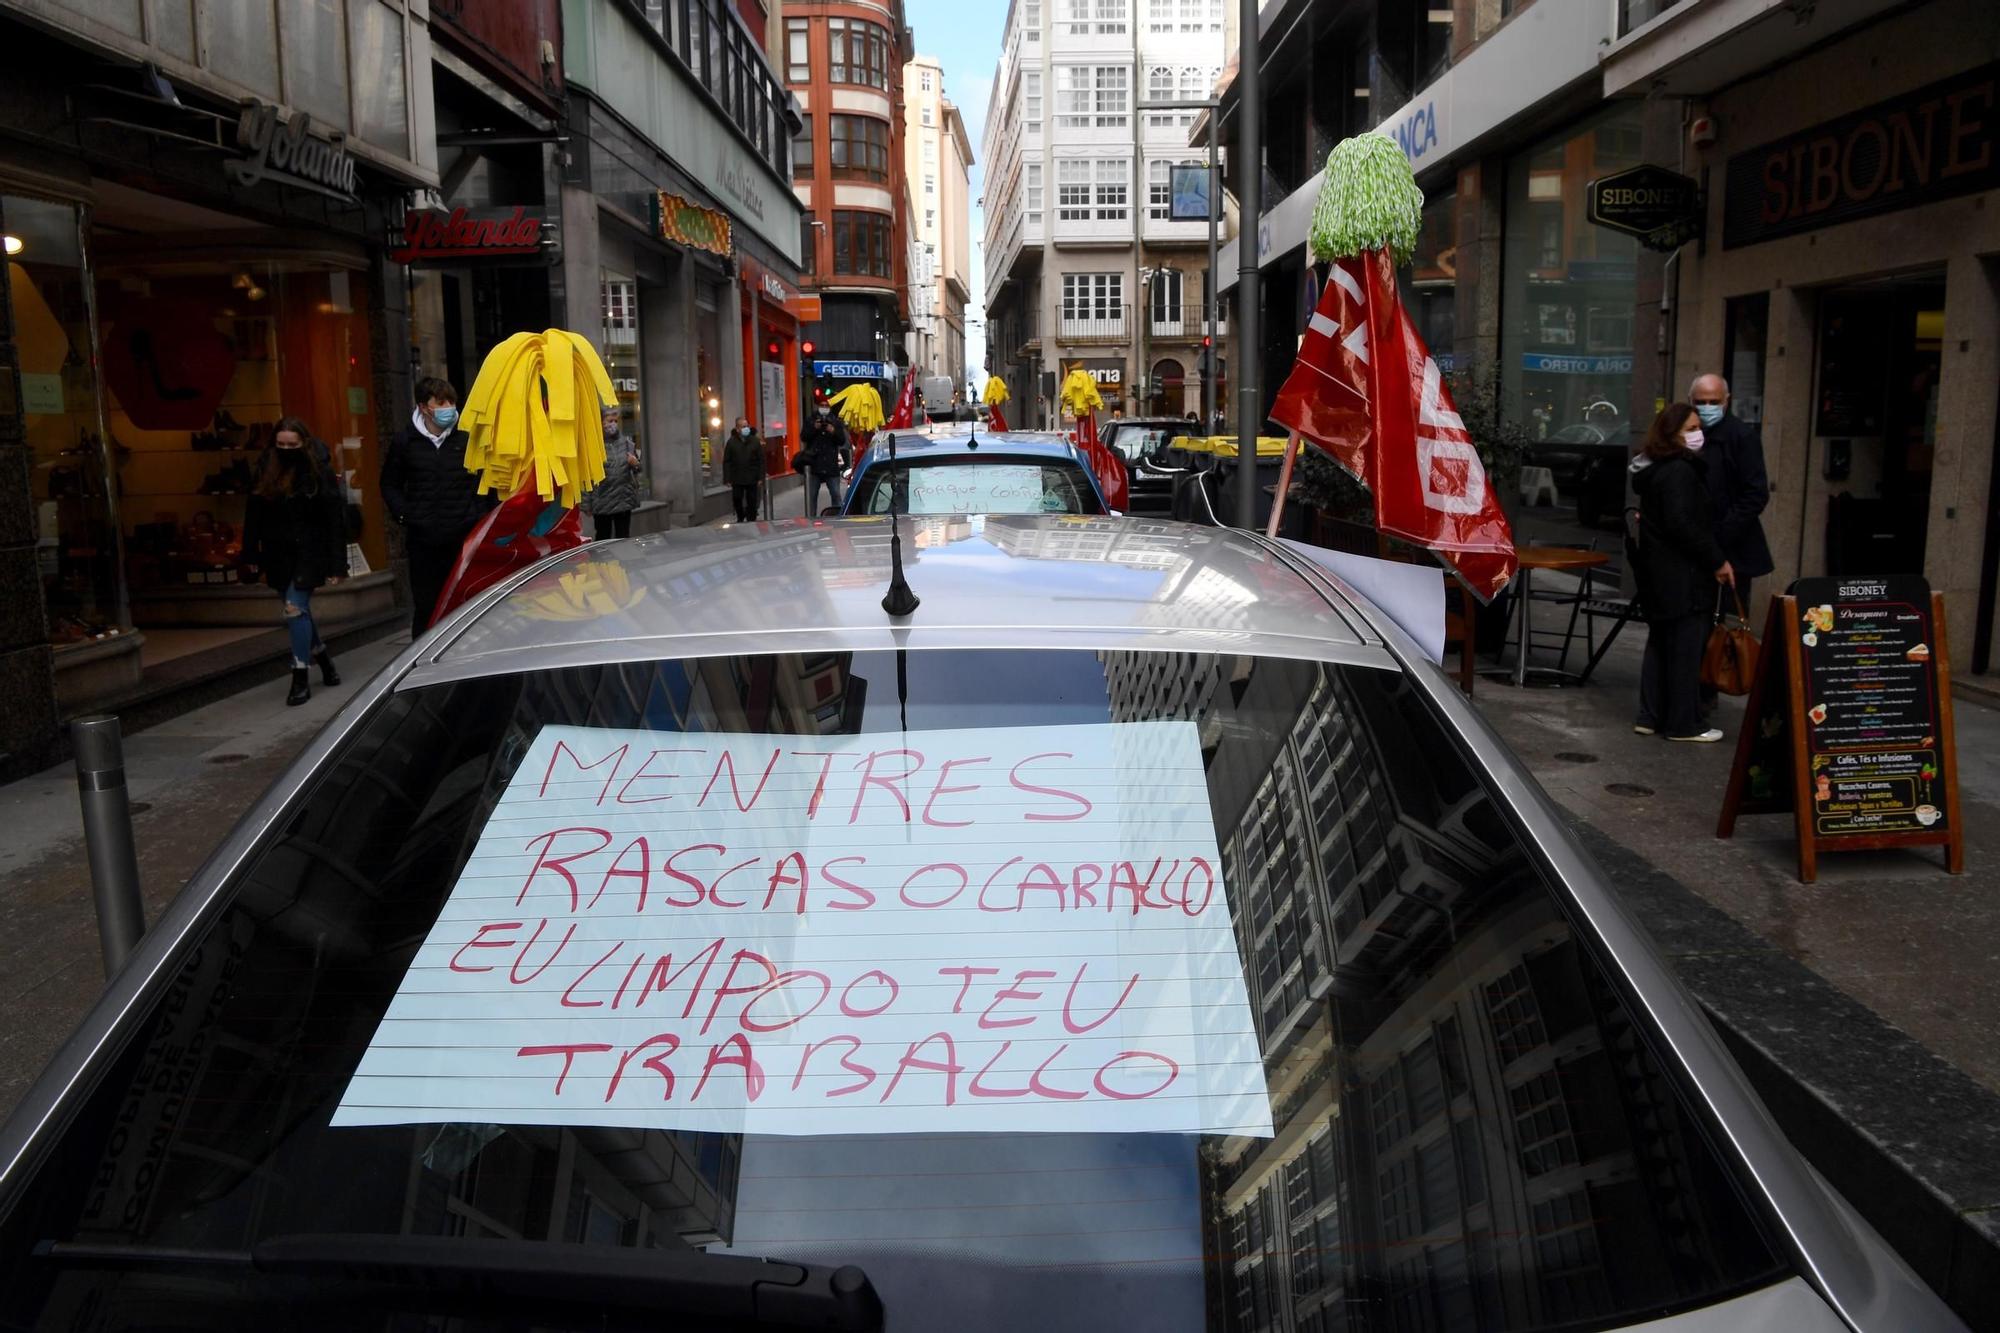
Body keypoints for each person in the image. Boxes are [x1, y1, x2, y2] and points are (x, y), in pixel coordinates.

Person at [1629, 402, 1736, 743]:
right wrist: (1717, 560)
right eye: (1690, 429)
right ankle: (1684, 724)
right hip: (1682, 578)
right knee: (1685, 650)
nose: (1697, 434)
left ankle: (1655, 716)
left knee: (1664, 646)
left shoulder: (1659, 471)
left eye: (1697, 428)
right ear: (1671, 435)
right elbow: (1683, 524)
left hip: (1662, 577)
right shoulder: (1679, 471)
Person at [241, 417, 347, 706]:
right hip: (277, 552)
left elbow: (334, 518)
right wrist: (250, 554)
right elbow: (254, 513)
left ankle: (300, 675)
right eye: (281, 444)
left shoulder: (318, 470)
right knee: (298, 611)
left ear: (304, 444)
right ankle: (324, 659)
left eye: (292, 445)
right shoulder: (266, 467)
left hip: (310, 551)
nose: (286, 449)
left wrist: (338, 564)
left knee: (294, 608)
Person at [381, 376, 494, 638]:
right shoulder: (405, 442)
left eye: (451, 402)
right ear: (424, 407)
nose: (448, 408)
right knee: (426, 607)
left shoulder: (467, 438)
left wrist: (480, 517)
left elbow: (486, 483)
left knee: (466, 603)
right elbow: (390, 484)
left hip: (463, 537)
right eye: (441, 402)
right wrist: (405, 515)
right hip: (424, 541)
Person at [1690, 373, 1773, 685]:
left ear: (1726, 401)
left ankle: (1710, 688)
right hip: (1700, 546)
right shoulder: (1690, 434)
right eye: (1701, 402)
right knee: (1698, 625)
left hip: (1730, 547)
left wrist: (1719, 539)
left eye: (1714, 402)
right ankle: (1698, 694)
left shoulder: (1740, 437)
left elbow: (1755, 494)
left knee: (1720, 626)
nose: (1708, 407)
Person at [583, 405, 642, 539]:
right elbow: (586, 477)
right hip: (603, 501)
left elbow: (638, 469)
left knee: (623, 537)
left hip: (624, 500)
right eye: (610, 421)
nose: (613, 424)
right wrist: (586, 504)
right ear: (601, 422)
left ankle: (625, 561)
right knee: (603, 538)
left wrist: (635, 463)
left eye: (616, 421)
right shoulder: (594, 445)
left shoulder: (626, 443)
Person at [798, 406, 850, 514]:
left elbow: (841, 440)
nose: (824, 408)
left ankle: (837, 517)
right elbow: (803, 437)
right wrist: (814, 427)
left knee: (836, 494)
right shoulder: (810, 420)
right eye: (822, 405)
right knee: (811, 497)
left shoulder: (835, 421)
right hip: (814, 465)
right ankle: (811, 518)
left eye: (826, 405)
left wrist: (833, 431)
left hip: (831, 465)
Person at [723, 416, 765, 522]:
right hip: (737, 477)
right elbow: (727, 461)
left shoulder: (755, 441)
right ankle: (740, 517)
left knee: (752, 500)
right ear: (737, 429)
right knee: (737, 498)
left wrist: (760, 477)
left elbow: (761, 460)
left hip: (752, 476)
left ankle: (751, 519)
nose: (746, 428)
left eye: (747, 426)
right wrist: (727, 478)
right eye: (743, 426)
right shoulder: (731, 442)